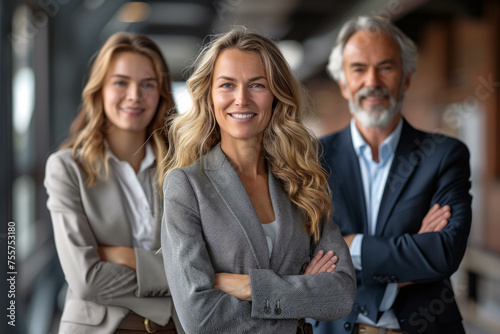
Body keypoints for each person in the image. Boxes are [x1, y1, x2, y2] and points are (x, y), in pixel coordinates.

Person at [159, 26, 356, 333]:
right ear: (209, 96)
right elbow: (200, 318)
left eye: (257, 85)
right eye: (227, 85)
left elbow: (340, 295)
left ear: (277, 96)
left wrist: (250, 288)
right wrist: (301, 291)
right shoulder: (187, 186)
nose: (241, 99)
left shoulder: (301, 182)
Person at [315, 16, 472, 334]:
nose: (372, 81)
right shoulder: (311, 160)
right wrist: (411, 254)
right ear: (344, 83)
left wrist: (348, 246)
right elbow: (305, 261)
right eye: (358, 69)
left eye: (386, 67)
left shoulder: (444, 155)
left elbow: (443, 253)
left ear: (406, 78)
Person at [44, 32, 184, 334]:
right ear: (100, 90)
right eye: (121, 82)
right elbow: (86, 281)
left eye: (147, 84)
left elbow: (203, 262)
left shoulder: (182, 166)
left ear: (161, 93)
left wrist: (126, 257)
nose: (134, 95)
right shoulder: (67, 168)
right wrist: (179, 284)